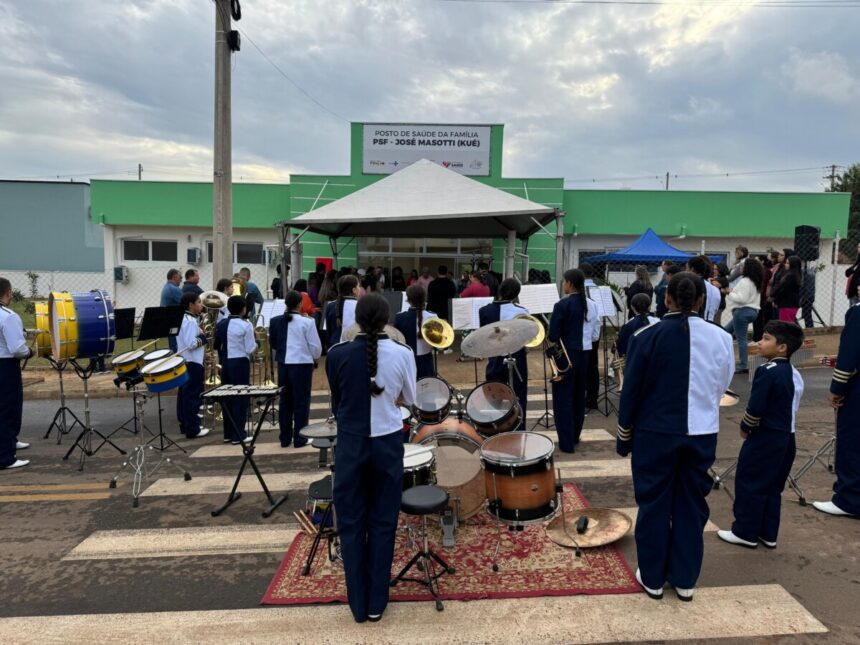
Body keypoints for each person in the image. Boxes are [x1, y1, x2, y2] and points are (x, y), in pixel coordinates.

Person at [617, 272, 734, 601]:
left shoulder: (645, 336)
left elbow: (632, 393)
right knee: (691, 504)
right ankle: (685, 579)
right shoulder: (721, 337)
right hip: (701, 432)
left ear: (665, 299)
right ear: (700, 300)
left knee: (654, 504)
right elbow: (722, 384)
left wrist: (625, 436)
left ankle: (652, 577)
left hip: (655, 433)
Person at [326, 294, 417, 623]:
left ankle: (358, 605)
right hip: (388, 444)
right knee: (383, 522)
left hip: (350, 444)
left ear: (356, 321)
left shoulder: (336, 354)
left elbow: (338, 402)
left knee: (350, 523)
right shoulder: (403, 352)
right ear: (387, 320)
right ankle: (378, 602)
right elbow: (410, 399)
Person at [718, 321, 804, 548]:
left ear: (782, 347)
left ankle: (745, 532)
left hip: (765, 436)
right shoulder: (792, 373)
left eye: (766, 338)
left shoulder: (767, 371)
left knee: (750, 482)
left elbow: (756, 407)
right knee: (773, 487)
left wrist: (745, 427)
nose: (759, 343)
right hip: (786, 437)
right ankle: (768, 533)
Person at [813, 283, 860, 517]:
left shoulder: (858, 312)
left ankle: (848, 499)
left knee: (851, 441)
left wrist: (837, 388)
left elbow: (849, 355)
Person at [549, 269, 600, 452]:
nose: (563, 284)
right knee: (579, 396)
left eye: (564, 281)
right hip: (585, 355)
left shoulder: (562, 305)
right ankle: (575, 437)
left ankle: (566, 443)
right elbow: (595, 336)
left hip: (566, 355)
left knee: (563, 399)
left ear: (570, 283)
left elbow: (553, 335)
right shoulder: (592, 305)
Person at [269, 291, 322, 448]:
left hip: (283, 365)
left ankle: (284, 438)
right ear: (300, 304)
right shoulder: (307, 322)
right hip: (301, 365)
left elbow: (273, 343)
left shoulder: (275, 321)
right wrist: (315, 359)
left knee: (285, 401)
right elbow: (316, 348)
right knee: (301, 402)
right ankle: (300, 438)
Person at [479, 279, 530, 430]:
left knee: (494, 396)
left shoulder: (484, 311)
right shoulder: (521, 311)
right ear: (516, 294)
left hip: (494, 358)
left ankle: (494, 429)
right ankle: (519, 429)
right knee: (519, 395)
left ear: (499, 290)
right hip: (517, 358)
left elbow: (483, 337)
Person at [213, 295, 257, 444]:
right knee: (240, 398)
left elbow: (216, 345)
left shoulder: (221, 324)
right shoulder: (246, 325)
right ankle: (239, 434)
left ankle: (228, 434)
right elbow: (250, 348)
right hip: (240, 363)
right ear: (243, 309)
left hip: (225, 362)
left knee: (227, 397)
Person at [0, 278, 32, 470]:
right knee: (8, 409)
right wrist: (30, 352)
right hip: (5, 366)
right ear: (9, 293)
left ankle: (10, 441)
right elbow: (17, 349)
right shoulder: (9, 316)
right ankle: (5, 457)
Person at [176, 292, 210, 439]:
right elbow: (191, 344)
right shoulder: (190, 321)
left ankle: (186, 425)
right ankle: (193, 428)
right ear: (190, 305)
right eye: (198, 302)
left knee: (184, 395)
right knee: (192, 396)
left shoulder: (184, 318)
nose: (201, 305)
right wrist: (203, 338)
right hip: (192, 362)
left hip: (185, 361)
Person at [726, 257, 763, 374]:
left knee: (741, 339)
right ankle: (740, 362)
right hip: (752, 311)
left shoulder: (745, 281)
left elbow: (742, 299)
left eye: (742, 266)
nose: (740, 268)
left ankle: (743, 365)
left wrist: (729, 293)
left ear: (747, 268)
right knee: (725, 331)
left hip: (742, 311)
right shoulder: (755, 281)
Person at [394, 284, 437, 379]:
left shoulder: (399, 317)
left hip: (406, 361)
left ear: (408, 299)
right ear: (424, 298)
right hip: (426, 362)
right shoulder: (432, 317)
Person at [581, 263, 601, 410]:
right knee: (593, 366)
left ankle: (581, 396)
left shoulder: (578, 290)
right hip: (595, 333)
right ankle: (593, 398)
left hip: (580, 335)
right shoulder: (598, 290)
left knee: (581, 367)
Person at [616, 293, 658, 359]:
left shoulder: (629, 324)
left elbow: (621, 349)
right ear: (650, 306)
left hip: (635, 361)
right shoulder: (658, 321)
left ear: (632, 307)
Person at [324, 275, 359, 347]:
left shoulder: (329, 306)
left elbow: (328, 332)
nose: (360, 288)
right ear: (354, 290)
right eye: (358, 286)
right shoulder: (361, 306)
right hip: (354, 348)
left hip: (334, 347)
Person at [686, 256, 720, 323]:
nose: (685, 271)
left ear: (692, 269)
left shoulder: (687, 286)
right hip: (710, 324)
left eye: (687, 268)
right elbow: (715, 310)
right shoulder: (715, 290)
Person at [772, 256, 802, 323]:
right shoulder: (796, 275)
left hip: (787, 304)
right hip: (792, 304)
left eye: (788, 263)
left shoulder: (790, 277)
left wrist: (776, 301)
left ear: (793, 265)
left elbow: (783, 291)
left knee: (785, 324)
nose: (785, 264)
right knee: (789, 323)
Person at [161, 268, 184, 351]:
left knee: (173, 344)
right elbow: (185, 303)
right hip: (173, 320)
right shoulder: (173, 289)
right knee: (176, 346)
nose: (181, 280)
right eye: (180, 277)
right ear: (174, 277)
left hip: (169, 320)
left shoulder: (167, 286)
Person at [753, 255, 773, 342]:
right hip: (759, 297)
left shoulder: (764, 271)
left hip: (761, 297)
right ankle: (757, 336)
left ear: (762, 261)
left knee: (759, 318)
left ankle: (758, 337)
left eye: (757, 260)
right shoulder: (761, 270)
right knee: (757, 318)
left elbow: (763, 284)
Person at [711, 262, 730, 327]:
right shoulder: (718, 278)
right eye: (713, 269)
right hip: (717, 304)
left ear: (721, 270)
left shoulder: (723, 279)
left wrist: (711, 280)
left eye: (716, 269)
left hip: (719, 304)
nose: (714, 270)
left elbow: (715, 284)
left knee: (716, 323)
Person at [800, 263, 816, 328]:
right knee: (807, 314)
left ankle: (809, 328)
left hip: (806, 296)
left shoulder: (803, 272)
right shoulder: (811, 271)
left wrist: (801, 298)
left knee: (807, 314)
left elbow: (802, 286)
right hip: (810, 296)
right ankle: (809, 327)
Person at [846, 242, 860, 306]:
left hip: (857, 293)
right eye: (858, 247)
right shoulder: (858, 260)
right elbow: (847, 273)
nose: (859, 249)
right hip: (853, 293)